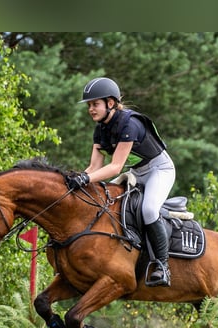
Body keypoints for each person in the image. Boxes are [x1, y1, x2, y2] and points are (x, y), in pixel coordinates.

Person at [66, 77, 175, 287]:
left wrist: (86, 178)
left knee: (149, 210)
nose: (91, 109)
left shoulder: (130, 124)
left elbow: (115, 167)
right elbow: (94, 168)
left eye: (94, 104)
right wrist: (75, 179)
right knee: (107, 203)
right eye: (89, 105)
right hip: (137, 171)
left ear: (110, 103)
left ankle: (162, 266)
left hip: (159, 170)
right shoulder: (100, 129)